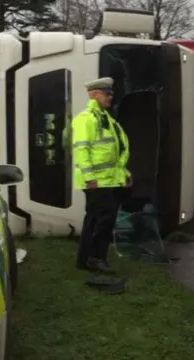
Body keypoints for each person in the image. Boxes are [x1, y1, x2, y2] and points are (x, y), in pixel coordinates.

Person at [71, 77, 130, 274]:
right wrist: (89, 178)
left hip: (107, 179)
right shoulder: (86, 119)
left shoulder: (106, 119)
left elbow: (115, 152)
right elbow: (82, 150)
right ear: (95, 94)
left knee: (95, 219)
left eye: (111, 93)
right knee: (105, 218)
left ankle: (85, 259)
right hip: (96, 181)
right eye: (107, 94)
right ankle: (96, 258)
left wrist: (124, 173)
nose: (111, 97)